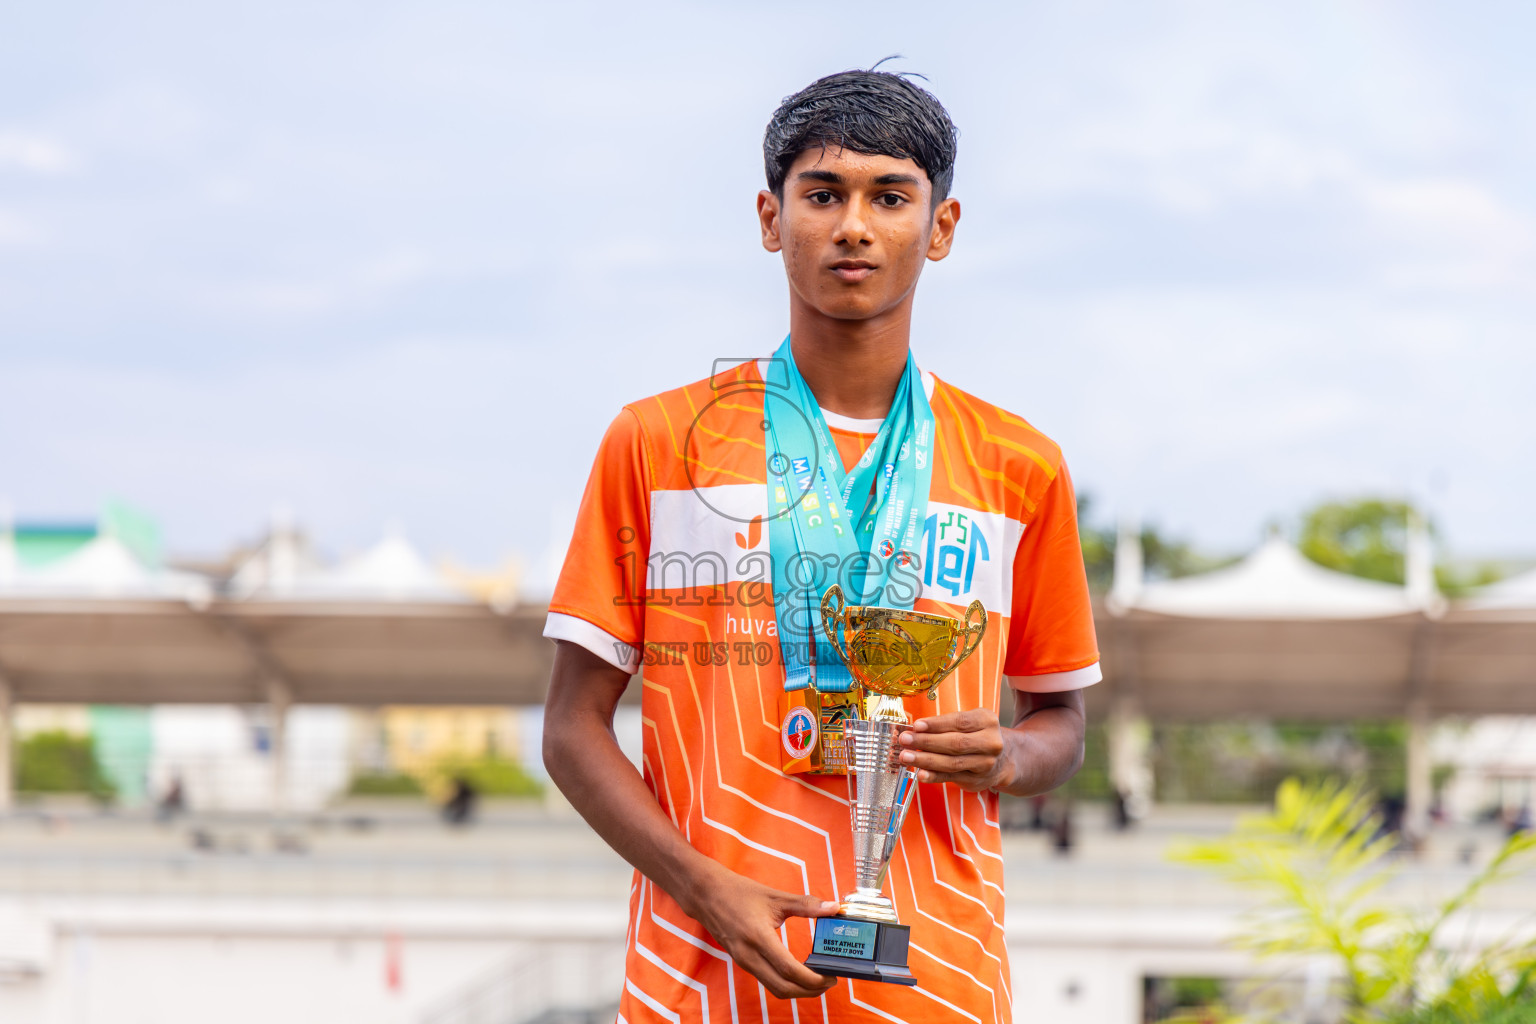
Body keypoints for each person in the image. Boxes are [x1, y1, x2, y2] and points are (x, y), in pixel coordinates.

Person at [542, 68, 1100, 1024]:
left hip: (938, 979)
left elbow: (1063, 724)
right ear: (771, 218)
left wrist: (1007, 752)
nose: (854, 225)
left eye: (890, 196)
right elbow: (570, 731)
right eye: (822, 194)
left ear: (942, 226)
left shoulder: (1019, 464)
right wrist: (705, 886)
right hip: (703, 975)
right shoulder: (658, 442)